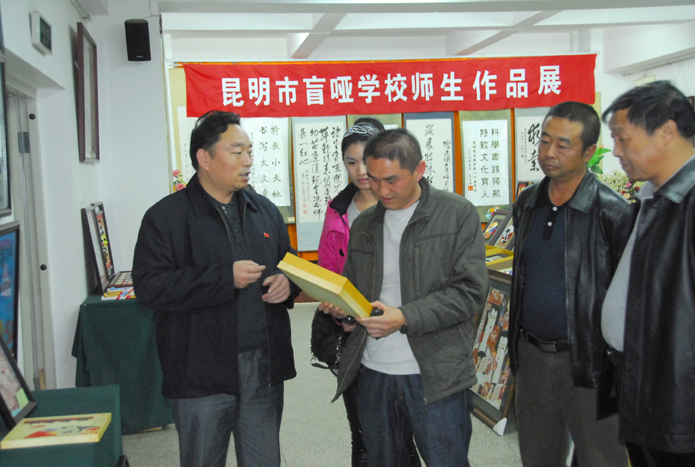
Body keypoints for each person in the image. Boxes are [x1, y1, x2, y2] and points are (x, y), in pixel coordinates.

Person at [132, 110, 300, 467]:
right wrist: (223, 278)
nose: (247, 161)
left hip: (263, 366)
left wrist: (289, 282)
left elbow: (290, 262)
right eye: (237, 152)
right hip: (200, 373)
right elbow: (150, 286)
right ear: (204, 158)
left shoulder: (264, 210)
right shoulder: (166, 217)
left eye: (250, 152)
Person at [321, 128, 488, 467]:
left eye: (392, 180)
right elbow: (357, 290)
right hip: (373, 372)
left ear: (419, 170)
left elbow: (469, 292)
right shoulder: (365, 224)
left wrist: (404, 316)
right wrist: (345, 311)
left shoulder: (456, 213)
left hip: (435, 374)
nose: (382, 190)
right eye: (374, 179)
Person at [509, 101, 630, 466]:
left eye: (563, 145)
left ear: (589, 152)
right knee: (538, 455)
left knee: (600, 457)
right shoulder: (527, 202)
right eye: (544, 141)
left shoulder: (613, 211)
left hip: (590, 362)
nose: (549, 153)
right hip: (532, 356)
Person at [600, 80, 695, 466]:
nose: (616, 151)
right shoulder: (649, 201)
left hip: (679, 405)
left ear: (667, 131)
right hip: (644, 390)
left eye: (623, 139)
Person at [317, 118, 421, 467]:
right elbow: (329, 273)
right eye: (351, 162)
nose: (361, 171)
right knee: (363, 432)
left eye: (366, 161)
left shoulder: (412, 205)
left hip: (406, 333)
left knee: (409, 435)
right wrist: (336, 306)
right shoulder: (338, 211)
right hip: (355, 335)